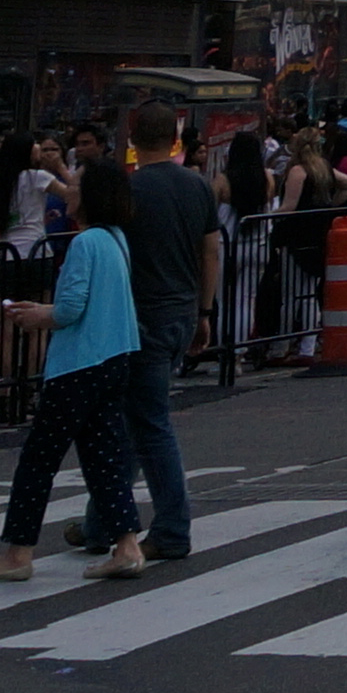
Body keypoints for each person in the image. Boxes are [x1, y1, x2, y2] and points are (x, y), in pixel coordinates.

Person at [0, 159, 150, 583]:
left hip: (77, 364)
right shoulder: (116, 239)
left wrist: (37, 315)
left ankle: (18, 552)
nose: (68, 189)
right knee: (104, 456)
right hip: (115, 357)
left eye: (77, 184)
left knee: (39, 460)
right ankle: (126, 544)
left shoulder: (85, 244)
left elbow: (69, 309)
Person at [116, 105, 226, 559]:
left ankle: (172, 525)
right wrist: (204, 310)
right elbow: (211, 251)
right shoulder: (197, 185)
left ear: (132, 134)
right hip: (182, 310)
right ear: (177, 136)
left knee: (149, 421)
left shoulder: (131, 189)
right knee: (135, 417)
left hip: (144, 314)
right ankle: (104, 516)